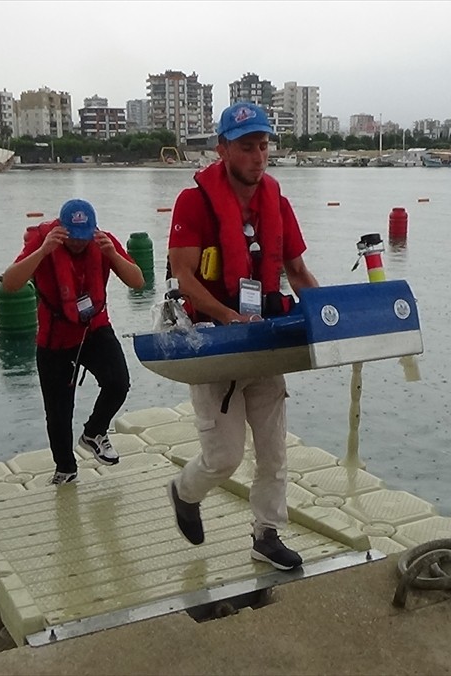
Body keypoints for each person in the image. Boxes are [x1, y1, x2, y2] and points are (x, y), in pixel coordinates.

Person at [165, 102, 319, 571]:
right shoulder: (193, 202)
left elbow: (296, 270)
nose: (259, 155)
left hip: (265, 344)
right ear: (223, 149)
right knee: (224, 458)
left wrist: (330, 314)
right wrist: (228, 316)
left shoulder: (278, 201)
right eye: (248, 146)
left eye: (264, 144)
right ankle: (183, 491)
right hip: (214, 346)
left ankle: (266, 534)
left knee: (274, 452)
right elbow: (183, 277)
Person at [0, 199, 146, 485]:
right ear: (63, 231)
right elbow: (10, 283)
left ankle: (94, 431)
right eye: (73, 238)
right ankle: (65, 468)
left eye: (84, 237)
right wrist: (43, 251)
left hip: (94, 329)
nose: (79, 244)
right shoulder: (45, 241)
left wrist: (113, 255)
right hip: (55, 339)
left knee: (118, 382)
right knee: (58, 411)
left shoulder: (102, 241)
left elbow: (138, 281)